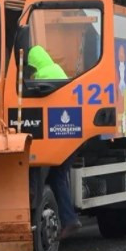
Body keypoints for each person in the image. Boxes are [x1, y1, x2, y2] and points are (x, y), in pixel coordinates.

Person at [28, 45, 82, 239]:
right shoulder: (56, 69)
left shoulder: (42, 76)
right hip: (69, 136)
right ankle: (68, 218)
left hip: (56, 136)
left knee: (52, 173)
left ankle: (69, 219)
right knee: (57, 175)